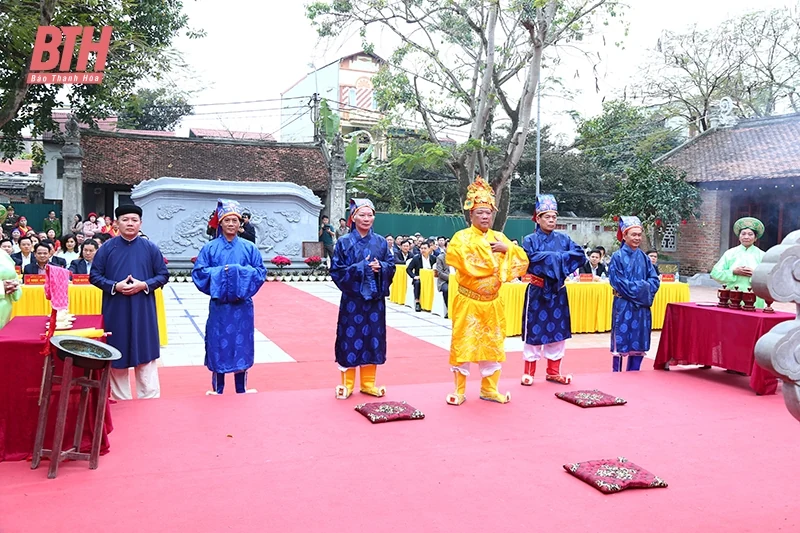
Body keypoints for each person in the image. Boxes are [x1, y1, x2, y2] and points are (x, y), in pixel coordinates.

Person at [446, 177, 529, 405]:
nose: (485, 217)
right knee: (464, 344)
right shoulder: (460, 238)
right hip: (468, 301)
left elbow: (522, 262)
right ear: (471, 215)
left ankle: (489, 389)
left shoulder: (500, 238)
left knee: (492, 345)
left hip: (492, 302)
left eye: (488, 213)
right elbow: (468, 262)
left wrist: (508, 248)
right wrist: (497, 255)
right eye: (480, 212)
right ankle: (459, 390)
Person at [90, 204, 169, 400]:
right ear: (116, 223)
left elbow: (163, 275)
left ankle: (150, 398)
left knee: (146, 353)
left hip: (143, 309)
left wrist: (144, 284)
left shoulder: (150, 248)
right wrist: (115, 286)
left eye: (134, 220)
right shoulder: (107, 248)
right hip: (116, 309)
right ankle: (120, 398)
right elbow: (95, 276)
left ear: (140, 223)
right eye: (125, 220)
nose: (130, 224)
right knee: (117, 352)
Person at [192, 200, 266, 395]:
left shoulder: (250, 248)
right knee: (218, 343)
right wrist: (224, 273)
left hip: (242, 306)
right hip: (220, 307)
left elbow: (260, 272)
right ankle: (219, 388)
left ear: (240, 223)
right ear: (220, 223)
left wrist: (237, 273)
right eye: (227, 220)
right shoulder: (210, 248)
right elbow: (199, 273)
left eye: (235, 220)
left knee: (241, 343)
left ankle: (241, 388)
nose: (231, 224)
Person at [330, 198, 395, 400]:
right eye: (362, 215)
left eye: (370, 215)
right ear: (353, 217)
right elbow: (336, 271)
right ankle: (347, 384)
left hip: (375, 301)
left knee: (372, 339)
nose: (367, 219)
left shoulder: (381, 242)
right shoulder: (344, 242)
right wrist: (361, 268)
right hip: (353, 300)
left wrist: (381, 268)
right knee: (350, 338)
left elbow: (391, 265)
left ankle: (368, 383)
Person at [520, 195, 587, 386]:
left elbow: (579, 256)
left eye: (554, 217)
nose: (551, 220)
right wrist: (558, 258)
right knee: (534, 331)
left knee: (558, 332)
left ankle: (553, 371)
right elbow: (529, 259)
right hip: (538, 290)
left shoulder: (564, 239)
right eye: (547, 216)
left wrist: (550, 258)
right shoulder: (530, 240)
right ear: (538, 218)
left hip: (558, 291)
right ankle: (529, 372)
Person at [609, 216, 660, 372]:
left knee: (639, 341)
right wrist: (643, 289)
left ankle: (634, 373)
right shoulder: (617, 257)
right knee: (621, 341)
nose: (637, 238)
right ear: (624, 236)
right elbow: (618, 282)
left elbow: (654, 280)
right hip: (624, 305)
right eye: (634, 234)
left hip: (641, 308)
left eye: (639, 234)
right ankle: (616, 375)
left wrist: (642, 288)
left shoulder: (644, 258)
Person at [710, 217, 766, 306]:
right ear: (739, 237)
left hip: (755, 299)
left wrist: (755, 274)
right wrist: (733, 272)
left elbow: (771, 278)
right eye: (743, 234)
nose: (746, 237)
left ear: (755, 238)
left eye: (750, 234)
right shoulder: (729, 253)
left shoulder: (763, 255)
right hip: (731, 296)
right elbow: (715, 273)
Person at [406, 239, 434, 312]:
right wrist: (414, 276)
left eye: (425, 248)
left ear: (429, 249)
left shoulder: (433, 258)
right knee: (417, 283)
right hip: (419, 278)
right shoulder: (416, 258)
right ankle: (417, 302)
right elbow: (408, 269)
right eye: (421, 248)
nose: (423, 250)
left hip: (430, 278)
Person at [0, 248, 21, 330]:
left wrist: (14, 285)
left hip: (5, 304)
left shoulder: (3, 253)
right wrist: (1, 287)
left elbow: (13, 275)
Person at [433, 238, 450, 318]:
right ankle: (448, 310)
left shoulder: (458, 257)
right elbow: (439, 273)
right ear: (445, 247)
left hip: (456, 280)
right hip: (444, 281)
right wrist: (450, 278)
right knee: (447, 290)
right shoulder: (440, 257)